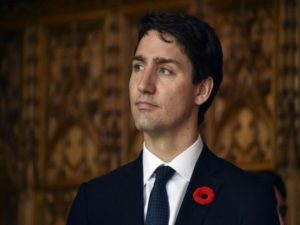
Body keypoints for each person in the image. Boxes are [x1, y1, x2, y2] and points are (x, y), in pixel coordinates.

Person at [66, 11, 280, 225]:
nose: (144, 85)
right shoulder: (93, 201)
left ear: (201, 90)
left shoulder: (248, 198)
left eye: (164, 71)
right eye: (138, 67)